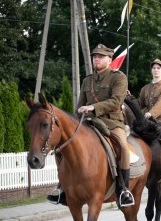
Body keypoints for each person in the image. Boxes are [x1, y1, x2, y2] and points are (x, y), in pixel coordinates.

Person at [47, 44, 134, 207]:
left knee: (122, 146)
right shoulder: (88, 80)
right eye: (94, 56)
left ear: (109, 59)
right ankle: (63, 188)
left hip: (111, 122)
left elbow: (116, 101)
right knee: (62, 147)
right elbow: (80, 104)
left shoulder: (118, 78)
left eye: (100, 56)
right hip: (88, 122)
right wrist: (78, 112)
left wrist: (93, 107)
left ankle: (123, 190)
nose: (96, 59)